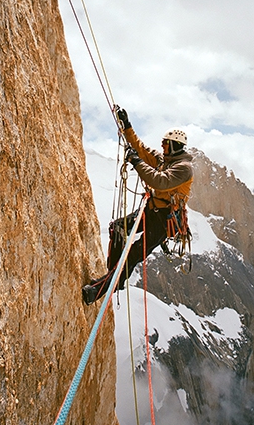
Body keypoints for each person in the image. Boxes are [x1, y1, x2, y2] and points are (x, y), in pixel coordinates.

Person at [82, 107, 194, 305]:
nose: (162, 147)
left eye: (165, 144)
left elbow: (159, 181)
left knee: (133, 254)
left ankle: (98, 290)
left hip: (163, 221)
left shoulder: (183, 169)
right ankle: (114, 277)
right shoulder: (165, 161)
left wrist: (135, 161)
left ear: (174, 146)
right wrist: (127, 126)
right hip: (152, 211)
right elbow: (141, 148)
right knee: (117, 227)